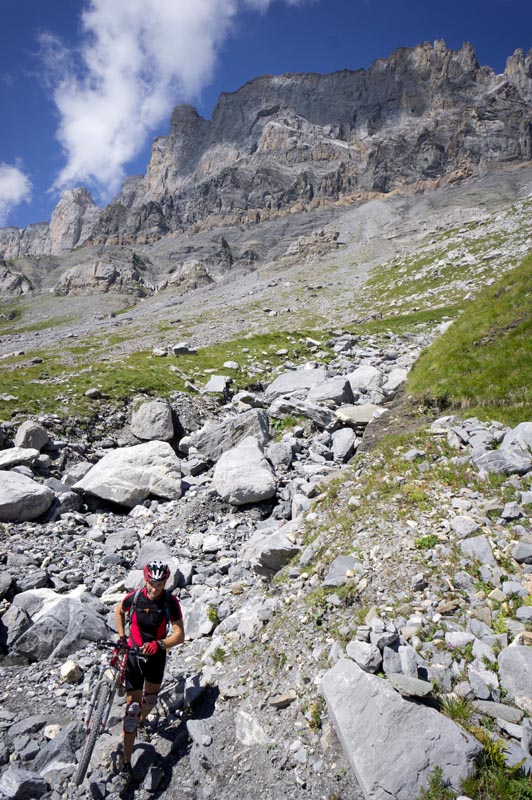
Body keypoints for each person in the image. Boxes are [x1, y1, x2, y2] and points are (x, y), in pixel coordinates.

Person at [114, 560, 184, 785]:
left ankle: (142, 721)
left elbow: (179, 635)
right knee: (132, 710)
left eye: (160, 583)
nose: (155, 588)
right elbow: (118, 610)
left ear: (165, 581)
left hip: (156, 657)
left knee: (150, 701)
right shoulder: (134, 598)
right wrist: (122, 637)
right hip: (134, 657)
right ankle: (126, 764)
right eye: (151, 583)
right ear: (145, 579)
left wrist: (160, 644)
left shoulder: (170, 602)